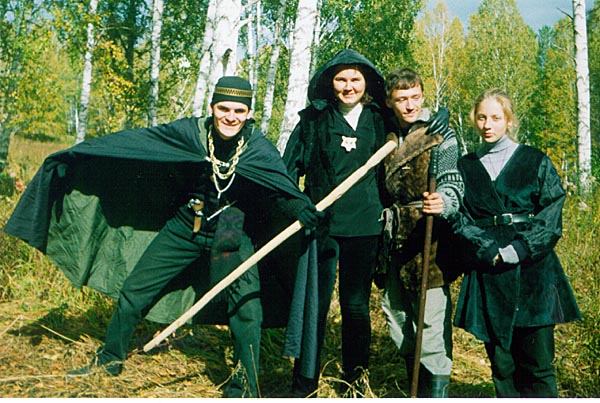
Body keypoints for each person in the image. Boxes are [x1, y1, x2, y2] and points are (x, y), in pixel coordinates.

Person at [4, 76, 323, 398]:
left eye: (239, 110)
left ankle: (245, 386)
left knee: (246, 308)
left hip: (230, 227)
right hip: (187, 223)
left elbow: (277, 188)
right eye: (224, 108)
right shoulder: (191, 133)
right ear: (212, 107)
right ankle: (109, 359)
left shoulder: (257, 147)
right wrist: (75, 158)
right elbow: (140, 144)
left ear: (248, 113)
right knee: (136, 289)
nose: (231, 117)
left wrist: (299, 207)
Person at [451, 88, 581, 397]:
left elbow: (551, 213)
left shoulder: (535, 160)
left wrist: (519, 249)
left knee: (538, 366)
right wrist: (486, 248)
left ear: (509, 121)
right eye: (482, 117)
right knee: (502, 366)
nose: (488, 125)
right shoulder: (465, 166)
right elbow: (458, 216)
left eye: (496, 118)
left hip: (534, 272)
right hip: (489, 271)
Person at [282, 49, 390, 396]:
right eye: (341, 79)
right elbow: (287, 172)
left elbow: (414, 121)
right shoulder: (313, 121)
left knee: (355, 305)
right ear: (330, 83)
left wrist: (437, 119)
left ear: (366, 82)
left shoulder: (381, 120)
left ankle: (354, 382)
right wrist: (297, 204)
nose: (348, 86)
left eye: (355, 79)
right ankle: (304, 385)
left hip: (365, 226)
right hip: (321, 225)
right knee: (315, 305)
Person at [377, 67, 463, 398]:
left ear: (423, 96)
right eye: (402, 99)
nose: (410, 105)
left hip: (429, 237)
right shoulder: (384, 132)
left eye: (415, 97)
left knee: (430, 322)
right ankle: (416, 384)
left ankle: (435, 392)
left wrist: (445, 202)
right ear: (389, 101)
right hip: (393, 239)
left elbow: (453, 179)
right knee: (396, 316)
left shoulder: (439, 133)